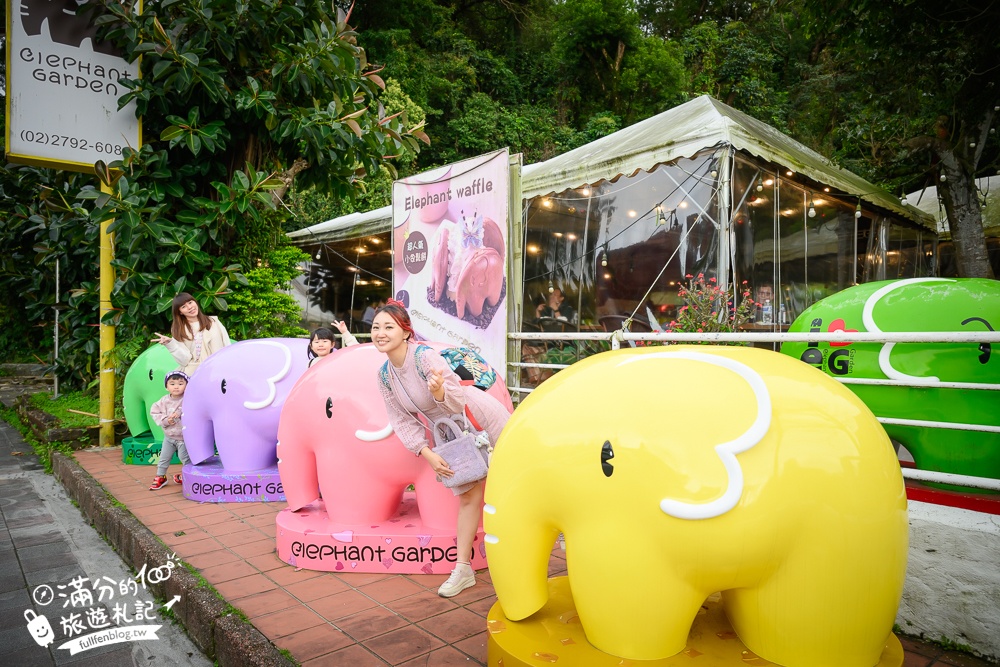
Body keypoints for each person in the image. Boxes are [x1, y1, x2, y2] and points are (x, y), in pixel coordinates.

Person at [371, 301, 510, 598]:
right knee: (469, 496)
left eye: (388, 327)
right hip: (449, 432)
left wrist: (439, 391)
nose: (380, 333)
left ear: (406, 332)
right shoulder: (384, 376)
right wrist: (427, 453)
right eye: (376, 327)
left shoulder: (424, 357)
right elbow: (400, 419)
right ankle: (463, 570)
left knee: (512, 479)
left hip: (477, 417)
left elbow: (457, 399)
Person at [154, 293, 231, 375]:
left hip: (219, 370)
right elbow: (184, 361)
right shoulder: (178, 329)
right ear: (180, 312)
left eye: (190, 302)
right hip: (196, 374)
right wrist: (170, 344)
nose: (189, 307)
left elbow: (227, 346)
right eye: (183, 307)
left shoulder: (213, 321)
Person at [149, 370, 191, 490]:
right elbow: (154, 412)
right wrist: (166, 421)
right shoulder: (163, 401)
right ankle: (160, 476)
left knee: (185, 458)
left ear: (187, 385)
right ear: (166, 387)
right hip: (169, 437)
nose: (176, 387)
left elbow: (193, 409)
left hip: (183, 438)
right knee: (164, 458)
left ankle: (188, 476)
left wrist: (180, 412)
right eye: (172, 384)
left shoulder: (188, 399)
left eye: (180, 384)